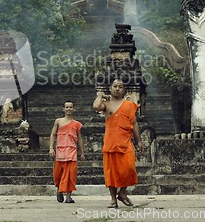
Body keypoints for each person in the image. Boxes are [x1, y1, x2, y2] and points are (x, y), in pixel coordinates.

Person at [93, 78, 143, 208]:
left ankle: (122, 193)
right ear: (110, 88)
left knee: (129, 168)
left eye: (120, 87)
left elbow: (134, 123)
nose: (117, 89)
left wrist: (139, 141)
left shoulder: (129, 104)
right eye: (114, 86)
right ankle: (113, 199)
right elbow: (96, 107)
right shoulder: (106, 104)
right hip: (110, 142)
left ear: (124, 90)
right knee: (111, 172)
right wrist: (100, 95)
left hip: (125, 142)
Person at [49, 100, 85, 204]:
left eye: (70, 107)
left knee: (71, 174)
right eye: (67, 107)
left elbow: (80, 139)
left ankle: (69, 196)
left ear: (73, 109)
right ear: (63, 109)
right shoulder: (58, 121)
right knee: (58, 174)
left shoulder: (77, 124)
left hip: (72, 151)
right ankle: (59, 189)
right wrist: (51, 148)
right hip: (60, 151)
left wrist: (82, 153)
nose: (69, 109)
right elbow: (52, 135)